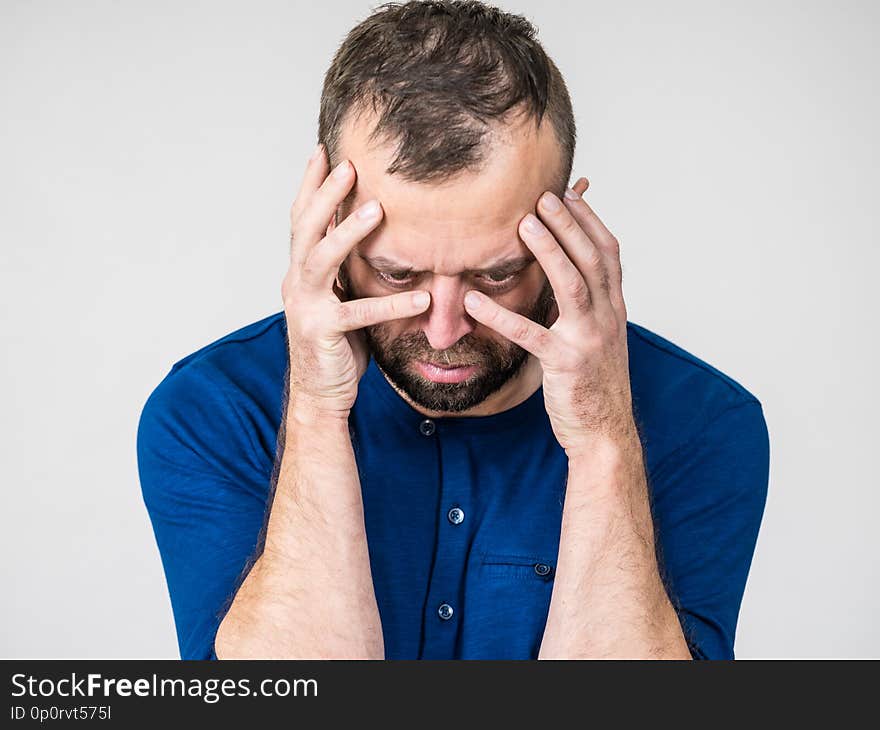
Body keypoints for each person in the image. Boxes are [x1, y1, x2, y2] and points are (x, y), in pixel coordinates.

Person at [137, 0, 769, 660]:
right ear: (325, 231)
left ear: (568, 235)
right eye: (397, 274)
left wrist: (602, 437)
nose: (443, 331)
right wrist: (318, 416)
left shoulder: (704, 424)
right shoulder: (212, 413)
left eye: (497, 275)